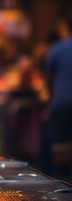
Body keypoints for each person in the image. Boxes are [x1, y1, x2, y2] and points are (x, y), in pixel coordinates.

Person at [39, 19, 72, 176]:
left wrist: (48, 106)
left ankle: (57, 184)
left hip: (62, 102)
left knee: (55, 144)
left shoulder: (57, 48)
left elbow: (47, 81)